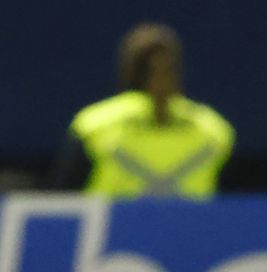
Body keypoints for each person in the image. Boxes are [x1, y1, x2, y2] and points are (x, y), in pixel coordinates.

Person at [51, 23, 235, 199]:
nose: (161, 82)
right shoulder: (93, 128)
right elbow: (66, 200)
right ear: (135, 76)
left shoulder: (214, 132)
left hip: (190, 229)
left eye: (167, 71)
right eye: (151, 73)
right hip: (112, 229)